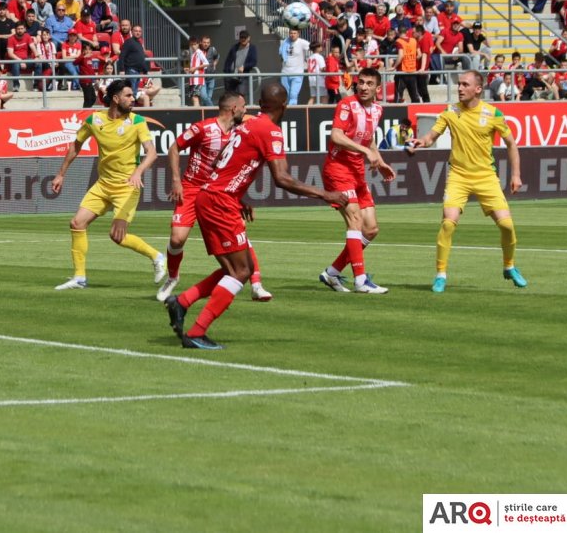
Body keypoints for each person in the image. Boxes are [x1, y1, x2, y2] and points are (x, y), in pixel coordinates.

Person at [165, 81, 344, 349]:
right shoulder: (269, 131)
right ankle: (196, 332)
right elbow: (282, 178)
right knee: (242, 271)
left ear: (261, 104)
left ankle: (182, 302)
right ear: (285, 105)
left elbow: (219, 162)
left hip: (212, 196)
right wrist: (325, 194)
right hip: (219, 202)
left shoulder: (246, 125)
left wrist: (237, 194)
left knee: (233, 269)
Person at [407, 71, 526, 293]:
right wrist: (420, 141)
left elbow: (511, 144)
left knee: (507, 225)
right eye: (459, 84)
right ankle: (441, 274)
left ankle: (509, 266)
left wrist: (515, 174)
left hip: (486, 177)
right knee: (448, 223)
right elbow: (431, 136)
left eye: (465, 84)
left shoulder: (493, 113)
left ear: (478, 89)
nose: (460, 88)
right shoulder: (450, 112)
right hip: (458, 176)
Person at [49, 81, 165, 290]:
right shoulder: (95, 120)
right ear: (115, 98)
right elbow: (76, 145)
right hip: (103, 185)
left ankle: (157, 256)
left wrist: (138, 171)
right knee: (77, 223)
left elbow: (152, 152)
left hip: (127, 187)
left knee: (117, 235)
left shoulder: (137, 121)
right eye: (128, 96)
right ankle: (79, 277)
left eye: (133, 96)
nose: (133, 99)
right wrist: (60, 174)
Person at [162, 92, 274, 302]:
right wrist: (176, 181)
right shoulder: (203, 128)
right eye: (243, 106)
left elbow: (231, 171)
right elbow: (175, 147)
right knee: (177, 239)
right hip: (192, 188)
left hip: (218, 191)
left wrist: (239, 199)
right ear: (234, 109)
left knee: (240, 232)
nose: (245, 110)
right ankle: (172, 277)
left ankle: (257, 285)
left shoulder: (240, 132)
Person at [318, 68, 397, 295]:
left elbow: (368, 138)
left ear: (377, 88)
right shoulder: (346, 105)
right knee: (355, 220)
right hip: (337, 169)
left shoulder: (378, 110)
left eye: (369, 84)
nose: (363, 87)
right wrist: (365, 151)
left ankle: (332, 273)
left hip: (356, 172)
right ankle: (360, 280)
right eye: (361, 82)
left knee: (370, 229)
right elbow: (336, 136)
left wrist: (380, 161)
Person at [278, 28, 310, 104]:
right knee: (286, 93)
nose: (292, 35)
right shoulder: (285, 42)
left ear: (298, 34)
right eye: (291, 33)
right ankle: (287, 110)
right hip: (285, 72)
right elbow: (280, 53)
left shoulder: (301, 42)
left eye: (294, 33)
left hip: (297, 73)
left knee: (293, 94)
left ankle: (293, 109)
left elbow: (312, 47)